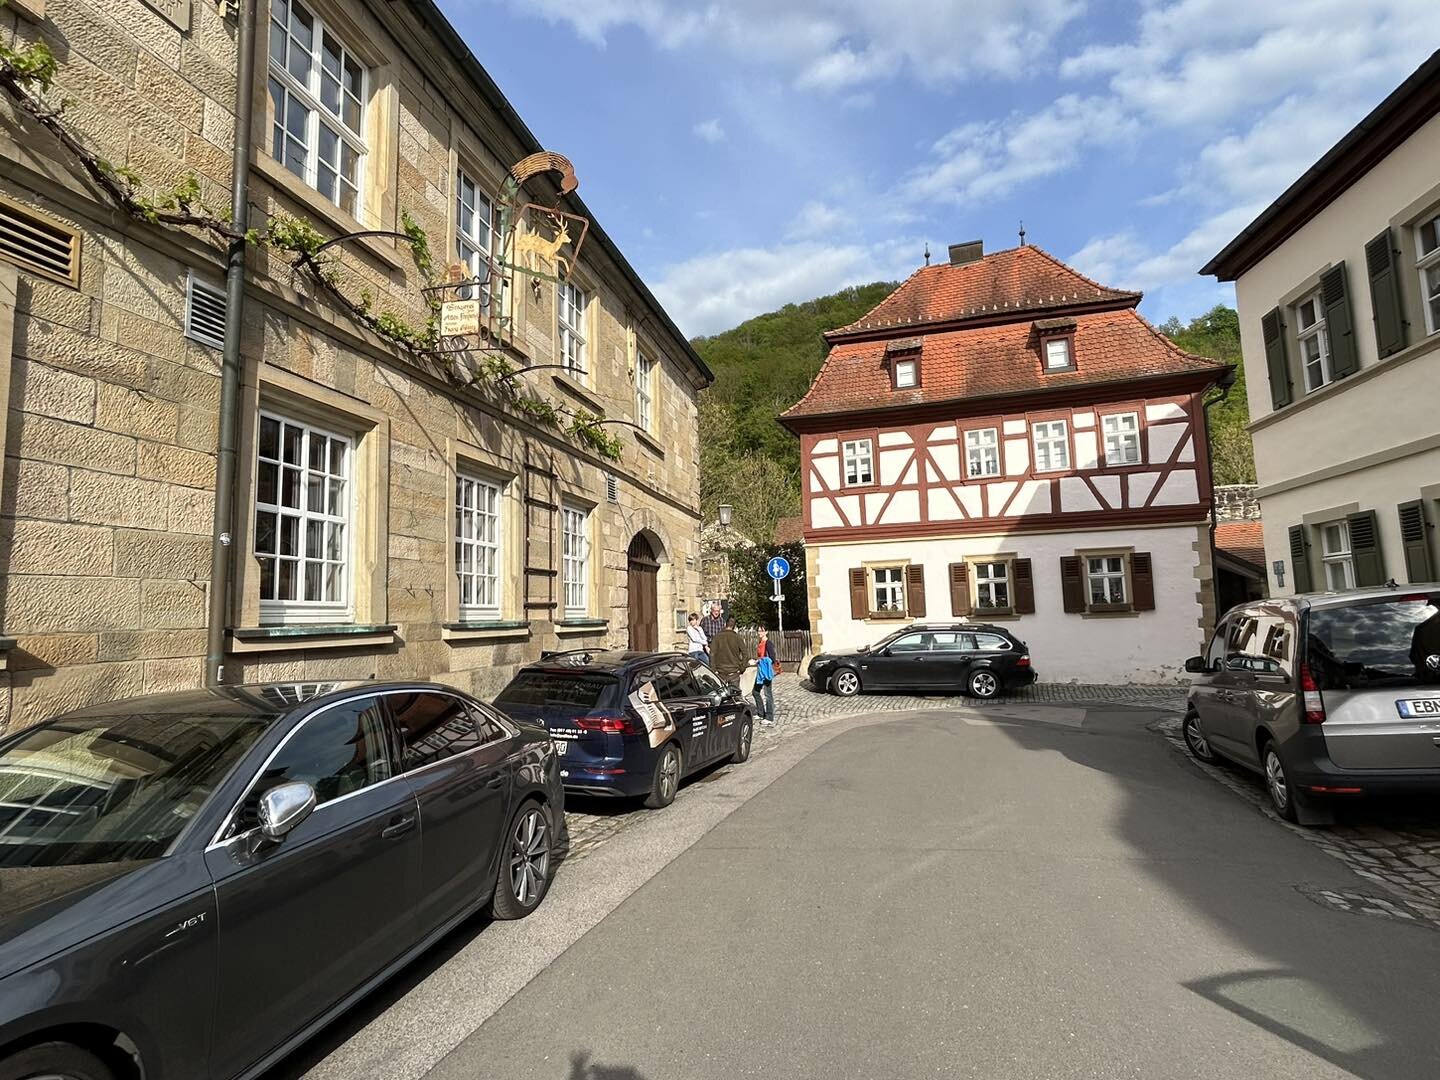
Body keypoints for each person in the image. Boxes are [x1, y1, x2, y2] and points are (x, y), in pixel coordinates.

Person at [750, 627, 780, 725]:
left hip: (766, 671)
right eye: (758, 630)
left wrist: (758, 661)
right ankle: (761, 713)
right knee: (755, 692)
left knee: (768, 694)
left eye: (761, 631)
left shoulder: (768, 644)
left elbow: (772, 658)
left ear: (766, 632)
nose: (759, 632)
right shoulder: (760, 642)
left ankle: (769, 717)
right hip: (760, 671)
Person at [710, 617, 748, 685]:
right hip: (734, 672)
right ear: (734, 626)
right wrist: (742, 668)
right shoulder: (737, 638)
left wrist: (713, 669)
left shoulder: (717, 637)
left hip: (720, 672)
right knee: (735, 694)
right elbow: (745, 654)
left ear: (725, 624)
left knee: (721, 694)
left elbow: (712, 654)